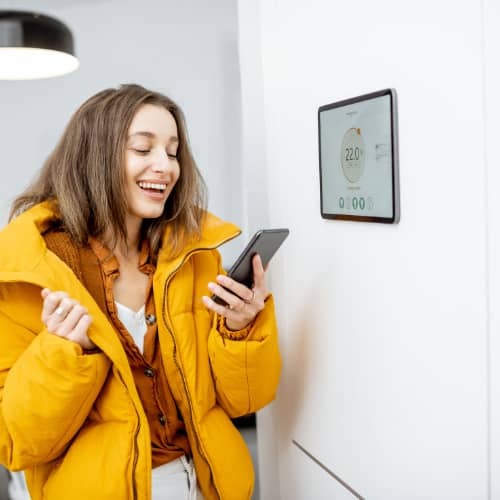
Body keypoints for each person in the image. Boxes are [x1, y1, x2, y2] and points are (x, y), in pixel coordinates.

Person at [0, 84, 281, 500]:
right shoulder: (28, 274)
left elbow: (245, 401)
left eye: (172, 151)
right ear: (95, 157)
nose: (164, 166)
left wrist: (239, 329)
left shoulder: (194, 255)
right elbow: (16, 442)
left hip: (204, 486)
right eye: (143, 149)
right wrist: (64, 352)